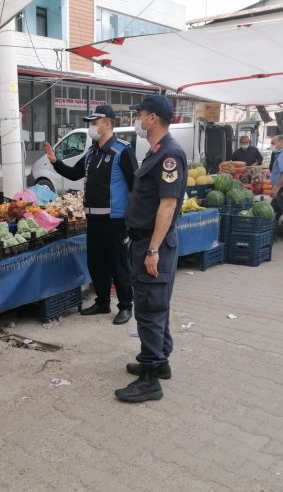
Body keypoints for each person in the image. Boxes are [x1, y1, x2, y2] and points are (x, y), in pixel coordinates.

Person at [114, 95, 187, 403]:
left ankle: (149, 378)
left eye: (140, 114)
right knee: (157, 304)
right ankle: (161, 361)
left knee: (149, 308)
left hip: (152, 243)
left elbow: (168, 205)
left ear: (153, 118)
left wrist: (153, 250)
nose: (137, 120)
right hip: (145, 240)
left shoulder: (169, 154)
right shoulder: (156, 152)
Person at [43, 104, 137, 325]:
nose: (91, 127)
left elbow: (136, 186)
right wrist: (55, 161)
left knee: (118, 264)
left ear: (106, 123)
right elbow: (74, 174)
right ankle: (103, 302)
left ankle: (125, 306)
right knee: (96, 262)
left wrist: (132, 219)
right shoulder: (92, 152)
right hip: (92, 219)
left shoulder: (123, 151)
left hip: (115, 220)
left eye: (94, 123)